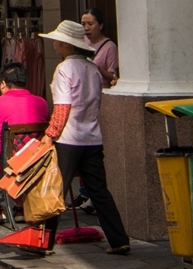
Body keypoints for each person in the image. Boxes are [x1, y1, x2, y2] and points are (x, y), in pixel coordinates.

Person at [39, 18, 129, 254]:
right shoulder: (92, 69)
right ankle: (119, 240)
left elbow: (62, 107)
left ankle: (43, 242)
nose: (55, 45)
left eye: (58, 41)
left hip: (69, 139)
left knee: (56, 191)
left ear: (67, 45)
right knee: (99, 191)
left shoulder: (64, 69)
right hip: (92, 137)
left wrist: (50, 134)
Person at [0, 62, 51, 218]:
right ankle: (19, 207)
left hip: (5, 164)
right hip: (35, 161)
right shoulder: (42, 103)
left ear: (3, 83)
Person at [81, 12, 119, 88]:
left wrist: (97, 68)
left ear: (101, 25)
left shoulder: (110, 47)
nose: (86, 28)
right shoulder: (82, 41)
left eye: (90, 24)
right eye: (83, 24)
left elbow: (114, 77)